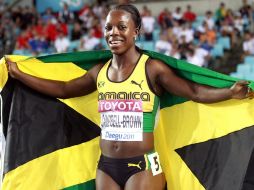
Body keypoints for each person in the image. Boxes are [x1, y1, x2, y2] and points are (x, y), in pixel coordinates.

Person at [5, 4, 251, 190]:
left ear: (136, 32)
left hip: (143, 164)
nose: (114, 33)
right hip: (106, 166)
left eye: (122, 27)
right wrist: (19, 74)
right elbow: (63, 89)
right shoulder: (99, 72)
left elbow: (194, 92)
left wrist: (229, 92)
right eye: (108, 28)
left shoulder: (152, 69)